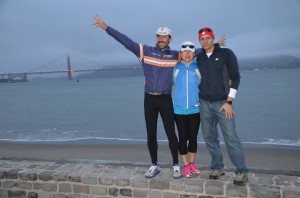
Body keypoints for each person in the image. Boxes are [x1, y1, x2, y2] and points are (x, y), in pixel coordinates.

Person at [93, 14, 182, 179]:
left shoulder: (176, 55)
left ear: (170, 38)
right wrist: (106, 27)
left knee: (171, 133)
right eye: (158, 36)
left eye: (164, 36)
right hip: (149, 99)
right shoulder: (145, 51)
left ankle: (176, 164)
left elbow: (194, 52)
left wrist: (214, 46)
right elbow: (125, 41)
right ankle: (154, 165)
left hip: (165, 99)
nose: (161, 39)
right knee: (151, 134)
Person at [196, 27, 249, 186]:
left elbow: (235, 77)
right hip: (204, 103)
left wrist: (229, 101)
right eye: (202, 39)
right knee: (209, 137)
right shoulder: (199, 57)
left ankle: (242, 171)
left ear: (213, 38)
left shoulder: (226, 54)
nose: (205, 41)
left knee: (231, 138)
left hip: (223, 103)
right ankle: (217, 167)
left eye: (208, 38)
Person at [172, 41, 201, 178]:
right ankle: (185, 166)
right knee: (182, 138)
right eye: (184, 51)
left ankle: (192, 163)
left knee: (193, 138)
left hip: (195, 109)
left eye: (190, 51)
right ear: (181, 53)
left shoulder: (198, 67)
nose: (187, 54)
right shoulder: (175, 68)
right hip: (179, 110)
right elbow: (165, 82)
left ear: (194, 53)